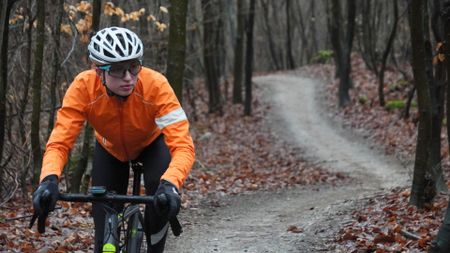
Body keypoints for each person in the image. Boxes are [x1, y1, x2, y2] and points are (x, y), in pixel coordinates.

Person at [30, 26, 195, 252]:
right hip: (110, 148)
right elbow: (60, 142)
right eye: (118, 70)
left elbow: (183, 146)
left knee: (160, 198)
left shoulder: (156, 85)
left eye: (134, 67)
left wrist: (171, 184)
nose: (128, 78)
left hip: (152, 144)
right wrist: (49, 179)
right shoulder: (83, 87)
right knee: (104, 229)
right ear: (99, 71)